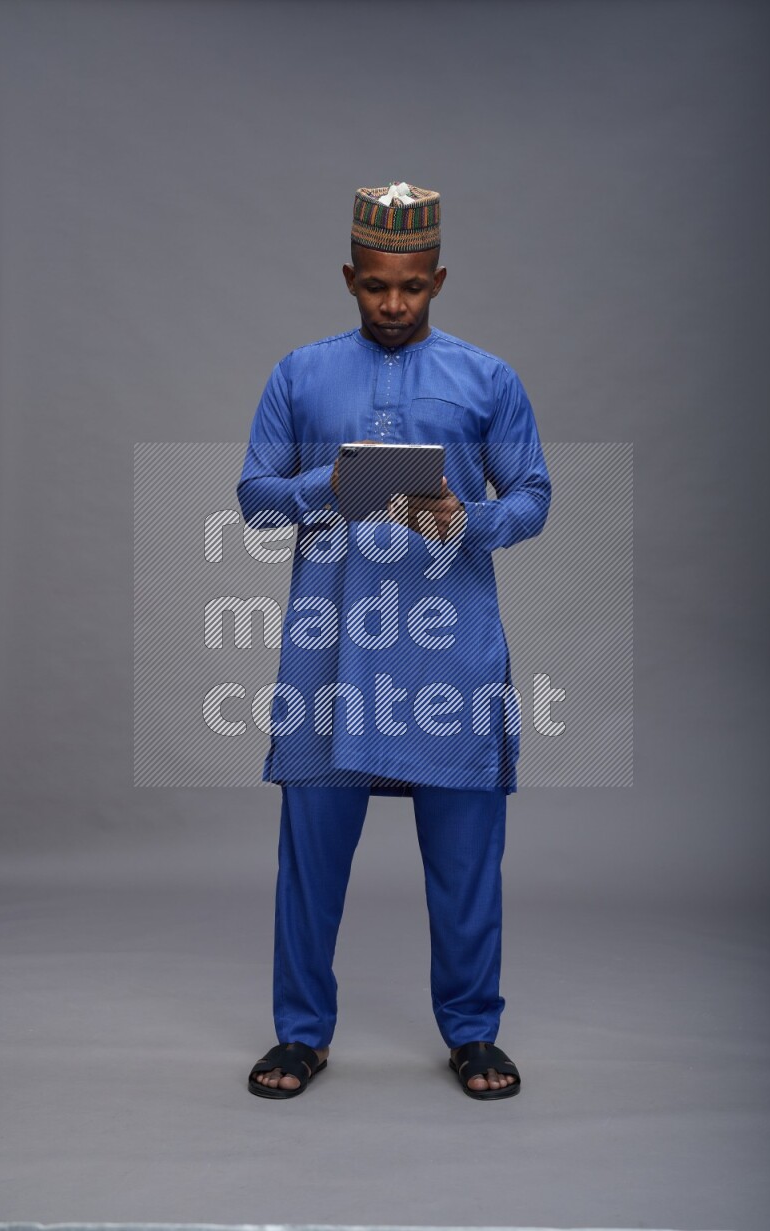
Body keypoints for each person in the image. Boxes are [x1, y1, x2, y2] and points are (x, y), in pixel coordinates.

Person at [236, 181, 551, 1100]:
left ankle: (473, 1033)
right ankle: (301, 1034)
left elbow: (534, 495)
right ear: (349, 276)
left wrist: (469, 516)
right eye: (375, 286)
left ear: (439, 278)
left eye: (411, 287)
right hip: (331, 652)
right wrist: (319, 490)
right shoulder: (301, 374)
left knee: (464, 861)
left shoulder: (488, 378)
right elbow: (254, 495)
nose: (393, 305)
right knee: (311, 857)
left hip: (449, 655)